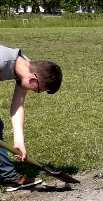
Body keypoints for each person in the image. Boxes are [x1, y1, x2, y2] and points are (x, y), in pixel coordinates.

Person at [0, 45, 62, 191]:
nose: (35, 92)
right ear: (34, 79)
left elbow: (18, 106)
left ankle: (11, 178)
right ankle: (11, 178)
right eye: (38, 90)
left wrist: (19, 140)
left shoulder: (25, 68)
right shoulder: (2, 61)